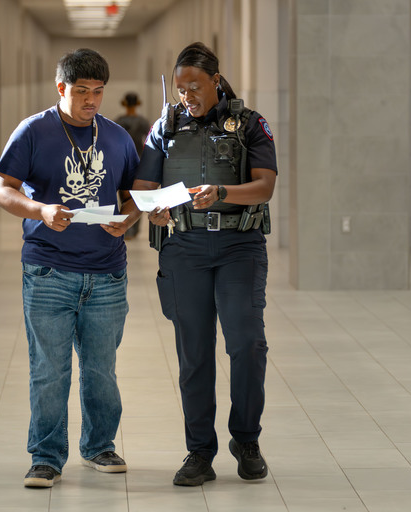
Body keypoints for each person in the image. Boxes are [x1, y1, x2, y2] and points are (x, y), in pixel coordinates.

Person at [0, 48, 141, 488]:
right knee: (49, 369)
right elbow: (2, 189)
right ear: (61, 88)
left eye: (98, 92)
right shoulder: (34, 131)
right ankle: (46, 456)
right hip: (49, 272)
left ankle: (99, 447)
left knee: (100, 369)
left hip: (107, 273)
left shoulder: (116, 137)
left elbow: (135, 195)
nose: (91, 99)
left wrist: (128, 219)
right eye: (81, 91)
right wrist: (39, 210)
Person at [132, 42, 277, 486]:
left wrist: (222, 192)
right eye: (180, 88)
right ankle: (199, 452)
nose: (186, 96)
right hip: (186, 248)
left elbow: (265, 186)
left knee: (247, 344)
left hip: (239, 247)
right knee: (193, 354)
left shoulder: (250, 124)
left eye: (194, 86)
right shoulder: (166, 126)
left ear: (215, 81)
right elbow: (144, 183)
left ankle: (246, 439)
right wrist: (152, 208)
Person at [115, 92, 151, 239]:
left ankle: (125, 226)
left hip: (122, 161)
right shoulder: (142, 121)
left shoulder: (119, 121)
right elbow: (148, 142)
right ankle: (133, 229)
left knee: (124, 196)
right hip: (140, 161)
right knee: (138, 196)